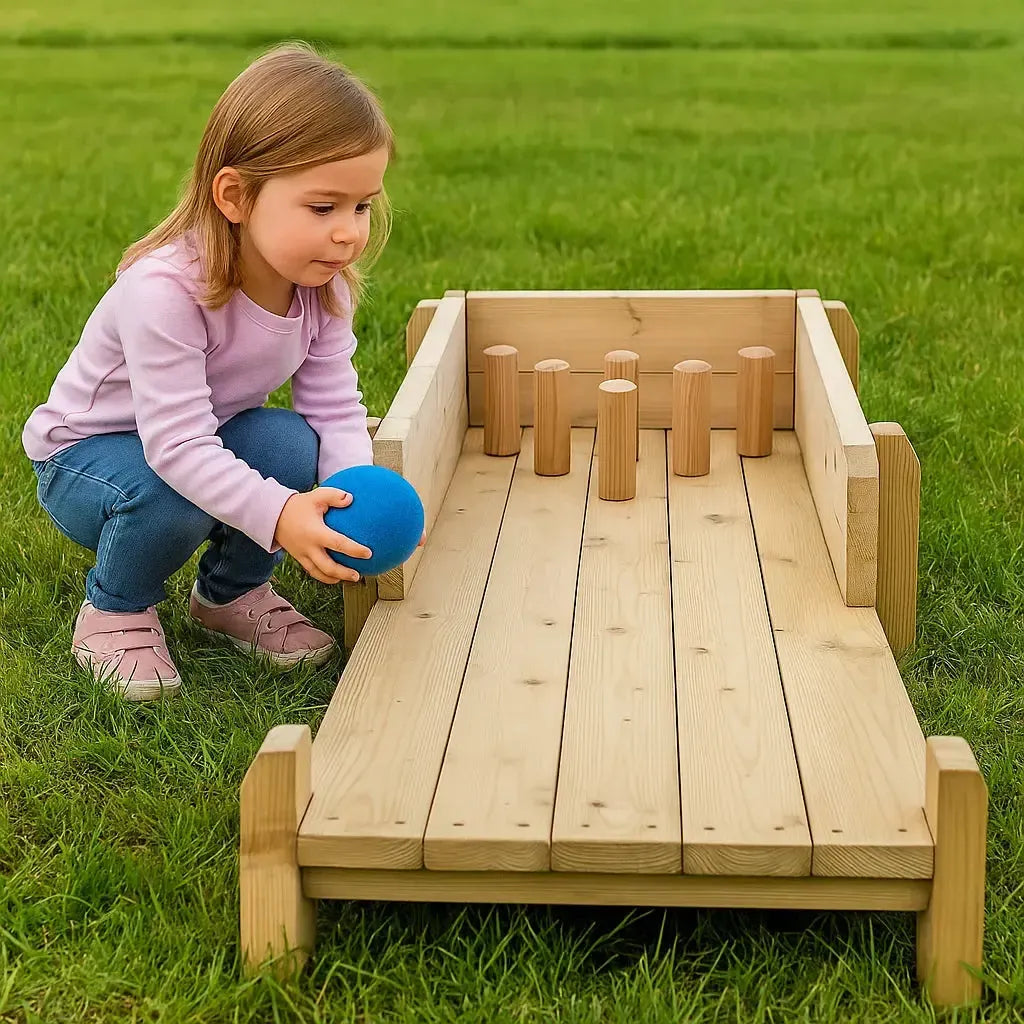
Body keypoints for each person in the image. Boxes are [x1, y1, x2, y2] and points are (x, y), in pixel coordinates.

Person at [21, 41, 421, 702]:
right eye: (324, 208)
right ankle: (115, 609)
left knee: (296, 444)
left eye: (361, 206)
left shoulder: (323, 288)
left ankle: (229, 595)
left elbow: (335, 409)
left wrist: (353, 499)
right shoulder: (166, 292)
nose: (349, 233)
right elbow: (175, 447)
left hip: (192, 444)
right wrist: (282, 514)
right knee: (167, 490)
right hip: (86, 463)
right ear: (236, 196)